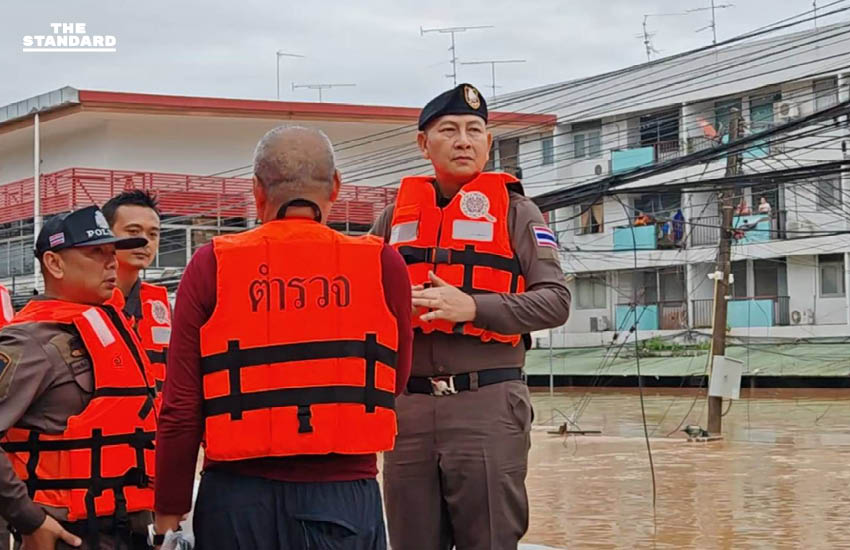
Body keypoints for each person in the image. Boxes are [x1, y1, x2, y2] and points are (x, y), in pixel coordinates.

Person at [153, 126, 413, 550]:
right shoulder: (383, 263)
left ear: (256, 191)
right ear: (335, 187)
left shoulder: (210, 265)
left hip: (235, 502)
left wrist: (169, 508)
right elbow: (392, 382)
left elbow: (180, 407)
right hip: (343, 499)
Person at [371, 83, 571, 550]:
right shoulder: (390, 221)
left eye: (475, 130)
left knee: (490, 540)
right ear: (424, 143)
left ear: (487, 141)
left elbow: (556, 301)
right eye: (450, 130)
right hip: (409, 410)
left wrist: (474, 307)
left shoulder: (518, 213)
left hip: (487, 404)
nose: (464, 140)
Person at [0, 205, 156, 549]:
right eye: (95, 253)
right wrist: (29, 518)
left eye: (112, 252)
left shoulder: (109, 325)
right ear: (54, 263)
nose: (111, 262)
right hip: (68, 535)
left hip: (127, 528)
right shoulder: (29, 340)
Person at [102, 190, 171, 401]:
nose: (145, 242)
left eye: (153, 234)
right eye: (133, 232)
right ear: (106, 234)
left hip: (157, 429)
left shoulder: (163, 306)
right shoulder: (86, 303)